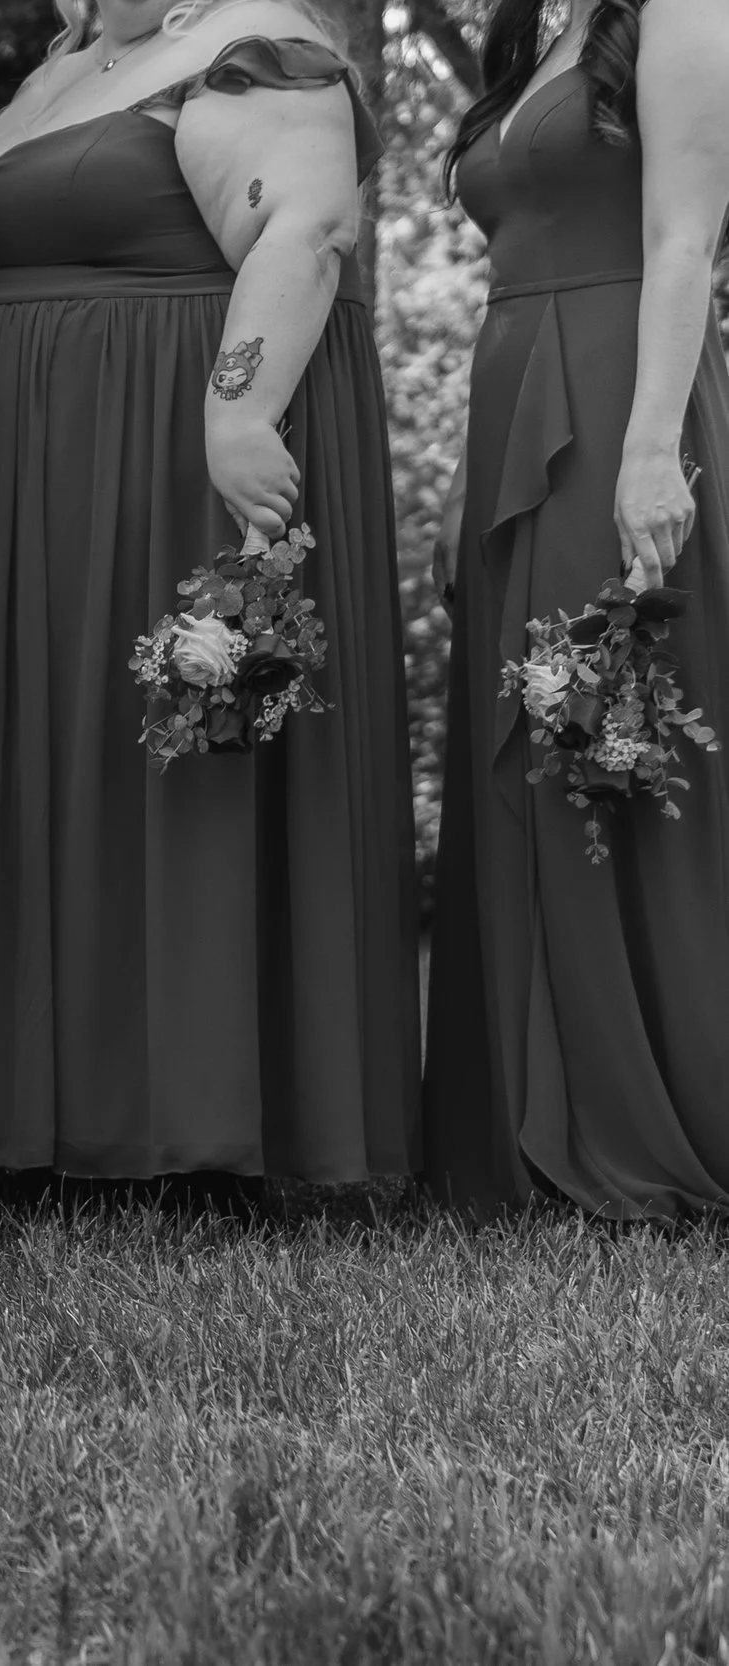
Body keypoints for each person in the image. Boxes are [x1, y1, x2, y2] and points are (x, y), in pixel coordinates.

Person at [0, 0, 419, 1190]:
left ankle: (190, 1113)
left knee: (151, 768)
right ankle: (8, 1109)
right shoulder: (70, 64)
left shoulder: (256, 42)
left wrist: (236, 410)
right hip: (5, 476)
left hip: (151, 455)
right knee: (22, 760)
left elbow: (304, 226)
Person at [424, 0, 729, 1217]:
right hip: (513, 399)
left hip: (620, 394)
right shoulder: (533, 32)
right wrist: (468, 481)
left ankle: (645, 1107)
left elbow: (683, 236)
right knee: (533, 735)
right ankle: (524, 1117)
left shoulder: (682, 11)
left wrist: (651, 446)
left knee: (610, 724)